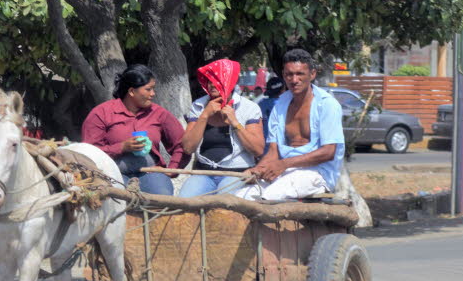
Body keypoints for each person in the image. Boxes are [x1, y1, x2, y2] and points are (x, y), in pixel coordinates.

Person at [236, 49, 345, 201]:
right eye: (289, 74)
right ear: (283, 75)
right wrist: (258, 169)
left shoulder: (327, 105)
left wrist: (284, 164)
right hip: (285, 171)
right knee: (241, 197)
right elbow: (273, 151)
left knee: (268, 197)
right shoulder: (280, 104)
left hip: (318, 173)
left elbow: (328, 152)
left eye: (300, 74)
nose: (294, 80)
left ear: (312, 74)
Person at [81, 64, 185, 195]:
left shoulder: (158, 113)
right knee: (116, 201)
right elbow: (89, 153)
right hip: (113, 174)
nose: (153, 94)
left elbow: (182, 144)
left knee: (162, 197)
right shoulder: (101, 113)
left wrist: (172, 169)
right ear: (131, 91)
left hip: (150, 173)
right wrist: (122, 147)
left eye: (153, 89)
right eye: (148, 89)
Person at [179, 59, 265, 197]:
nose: (211, 85)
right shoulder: (199, 106)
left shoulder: (249, 108)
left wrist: (234, 122)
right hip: (204, 173)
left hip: (236, 173)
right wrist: (205, 115)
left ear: (230, 82)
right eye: (209, 80)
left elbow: (258, 149)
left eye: (217, 80)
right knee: (184, 201)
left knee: (224, 206)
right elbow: (188, 147)